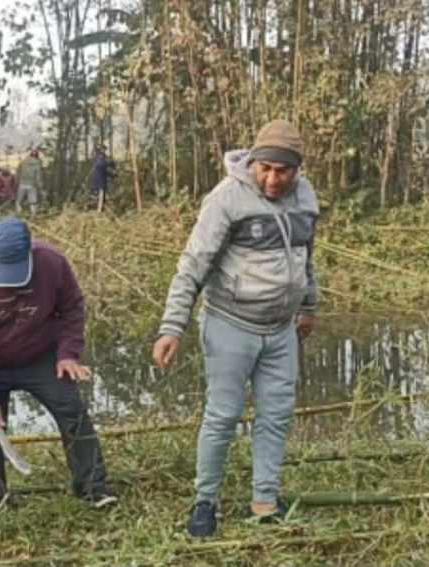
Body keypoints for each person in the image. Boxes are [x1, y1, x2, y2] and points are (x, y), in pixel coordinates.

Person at [151, 120, 319, 538]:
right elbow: (193, 265)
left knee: (276, 415)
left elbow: (306, 255)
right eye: (265, 169)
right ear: (253, 162)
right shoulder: (226, 198)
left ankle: (264, 500)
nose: (273, 179)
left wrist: (308, 305)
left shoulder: (306, 197)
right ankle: (204, 502)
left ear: (297, 170)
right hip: (230, 324)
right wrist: (172, 326)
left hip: (280, 330)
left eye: (283, 171)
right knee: (222, 416)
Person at [0, 216, 117, 524]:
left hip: (41, 355)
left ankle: (92, 486)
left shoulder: (52, 263)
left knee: (72, 410)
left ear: (30, 253)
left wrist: (68, 354)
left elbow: (71, 307)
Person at [15, 150, 43, 215]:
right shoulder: (37, 164)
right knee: (33, 202)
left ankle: (18, 213)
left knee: (19, 201)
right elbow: (38, 177)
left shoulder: (23, 162)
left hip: (22, 184)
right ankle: (33, 214)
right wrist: (40, 186)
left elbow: (17, 173)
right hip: (32, 185)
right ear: (37, 156)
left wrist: (16, 182)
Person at [89, 146, 116, 213]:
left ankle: (100, 211)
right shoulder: (99, 158)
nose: (104, 151)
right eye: (103, 149)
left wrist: (113, 175)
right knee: (100, 198)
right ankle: (99, 212)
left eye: (104, 149)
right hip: (99, 183)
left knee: (101, 198)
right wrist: (112, 163)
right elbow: (103, 165)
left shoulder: (100, 158)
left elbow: (104, 171)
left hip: (99, 182)